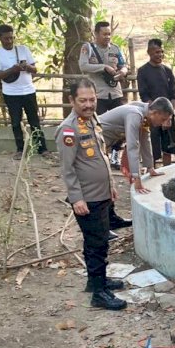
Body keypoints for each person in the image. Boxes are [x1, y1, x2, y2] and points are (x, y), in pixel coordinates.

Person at [55, 78, 126, 311]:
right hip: (87, 199)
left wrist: (111, 185)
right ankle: (99, 293)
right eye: (82, 100)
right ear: (71, 101)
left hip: (101, 193)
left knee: (98, 242)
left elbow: (101, 157)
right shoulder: (68, 129)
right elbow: (68, 169)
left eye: (92, 99)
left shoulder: (93, 120)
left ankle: (97, 281)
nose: (88, 104)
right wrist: (76, 199)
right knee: (97, 244)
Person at [0, 25, 49, 160]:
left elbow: (35, 69)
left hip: (28, 90)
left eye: (11, 37)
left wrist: (27, 67)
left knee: (34, 120)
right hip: (11, 93)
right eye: (6, 38)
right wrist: (13, 69)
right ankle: (20, 149)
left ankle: (42, 148)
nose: (9, 41)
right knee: (16, 122)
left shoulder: (23, 49)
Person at [79, 21, 128, 168]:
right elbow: (83, 66)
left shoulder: (115, 48)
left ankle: (115, 156)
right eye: (104, 34)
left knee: (121, 126)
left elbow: (123, 64)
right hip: (97, 94)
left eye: (109, 34)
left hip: (115, 93)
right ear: (96, 34)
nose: (107, 37)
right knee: (96, 125)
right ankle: (97, 155)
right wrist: (104, 67)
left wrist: (123, 72)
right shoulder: (88, 48)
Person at [99, 98, 174, 194]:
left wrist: (150, 168)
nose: (163, 123)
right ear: (155, 113)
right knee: (99, 181)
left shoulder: (145, 113)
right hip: (95, 140)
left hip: (105, 142)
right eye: (163, 119)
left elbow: (145, 140)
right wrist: (137, 179)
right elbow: (133, 146)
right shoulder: (135, 115)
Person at [137, 38, 175, 167]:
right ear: (149, 52)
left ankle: (167, 171)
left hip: (168, 115)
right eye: (156, 52)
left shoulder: (167, 71)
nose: (159, 55)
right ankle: (152, 170)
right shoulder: (143, 71)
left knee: (168, 147)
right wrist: (156, 115)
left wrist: (168, 116)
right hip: (152, 115)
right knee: (152, 146)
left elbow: (173, 95)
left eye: (161, 52)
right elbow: (144, 95)